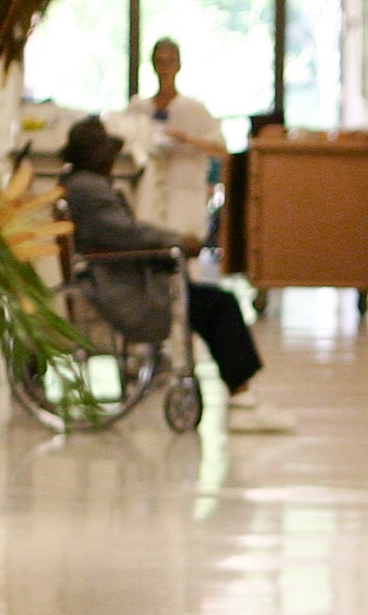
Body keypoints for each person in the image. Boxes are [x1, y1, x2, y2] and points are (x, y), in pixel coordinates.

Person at [57, 116, 292, 434]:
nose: (114, 158)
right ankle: (242, 400)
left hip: (131, 279)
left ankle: (243, 395)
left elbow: (124, 233)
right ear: (93, 155)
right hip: (125, 289)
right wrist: (177, 242)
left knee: (213, 304)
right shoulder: (89, 189)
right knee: (220, 306)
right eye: (108, 151)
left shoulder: (84, 184)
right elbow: (126, 234)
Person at [125, 36, 227, 240]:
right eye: (159, 61)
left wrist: (186, 138)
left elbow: (222, 150)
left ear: (178, 64)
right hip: (149, 197)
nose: (164, 68)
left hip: (185, 198)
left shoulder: (194, 110)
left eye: (169, 61)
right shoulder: (139, 108)